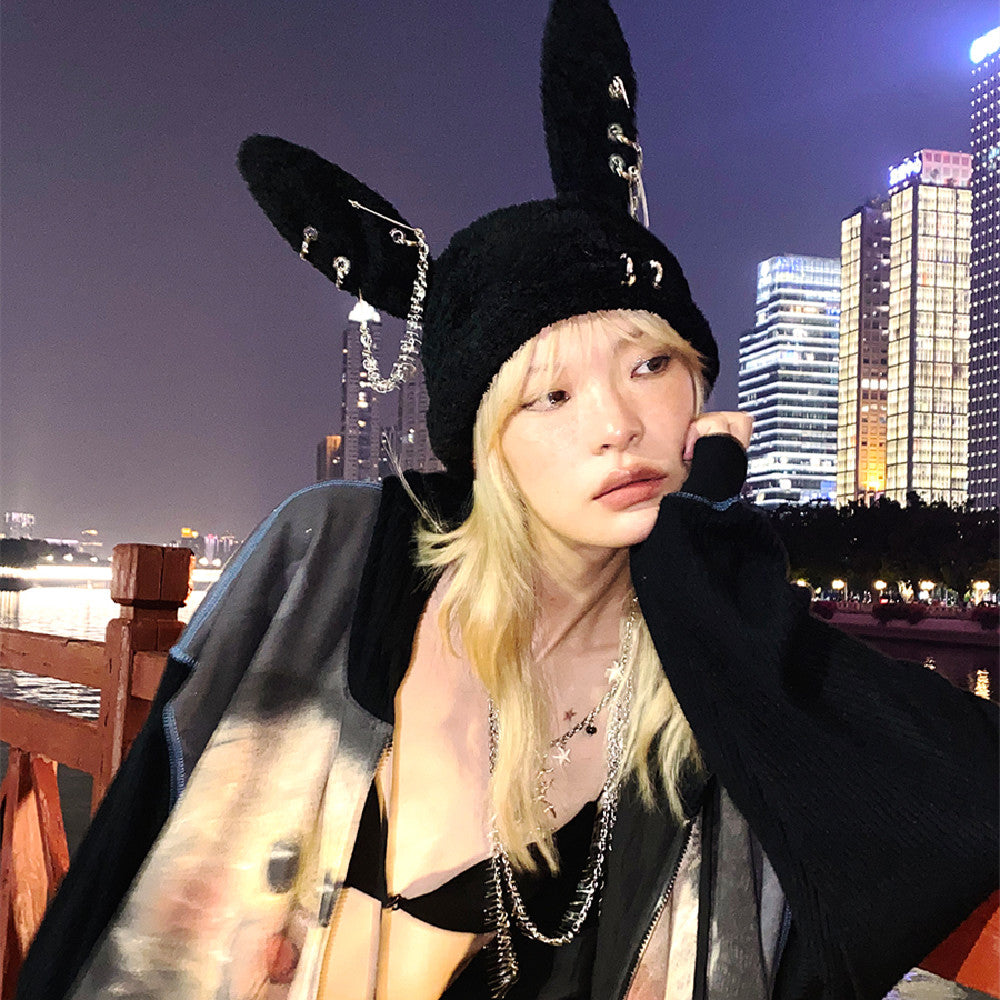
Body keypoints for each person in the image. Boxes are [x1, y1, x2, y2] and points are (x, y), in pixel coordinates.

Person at [16, 1, 998, 999]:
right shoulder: (335, 555)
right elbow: (136, 855)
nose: (617, 424)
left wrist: (697, 546)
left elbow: (959, 791)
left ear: (699, 392)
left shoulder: (705, 654)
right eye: (549, 395)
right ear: (484, 445)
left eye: (651, 364)